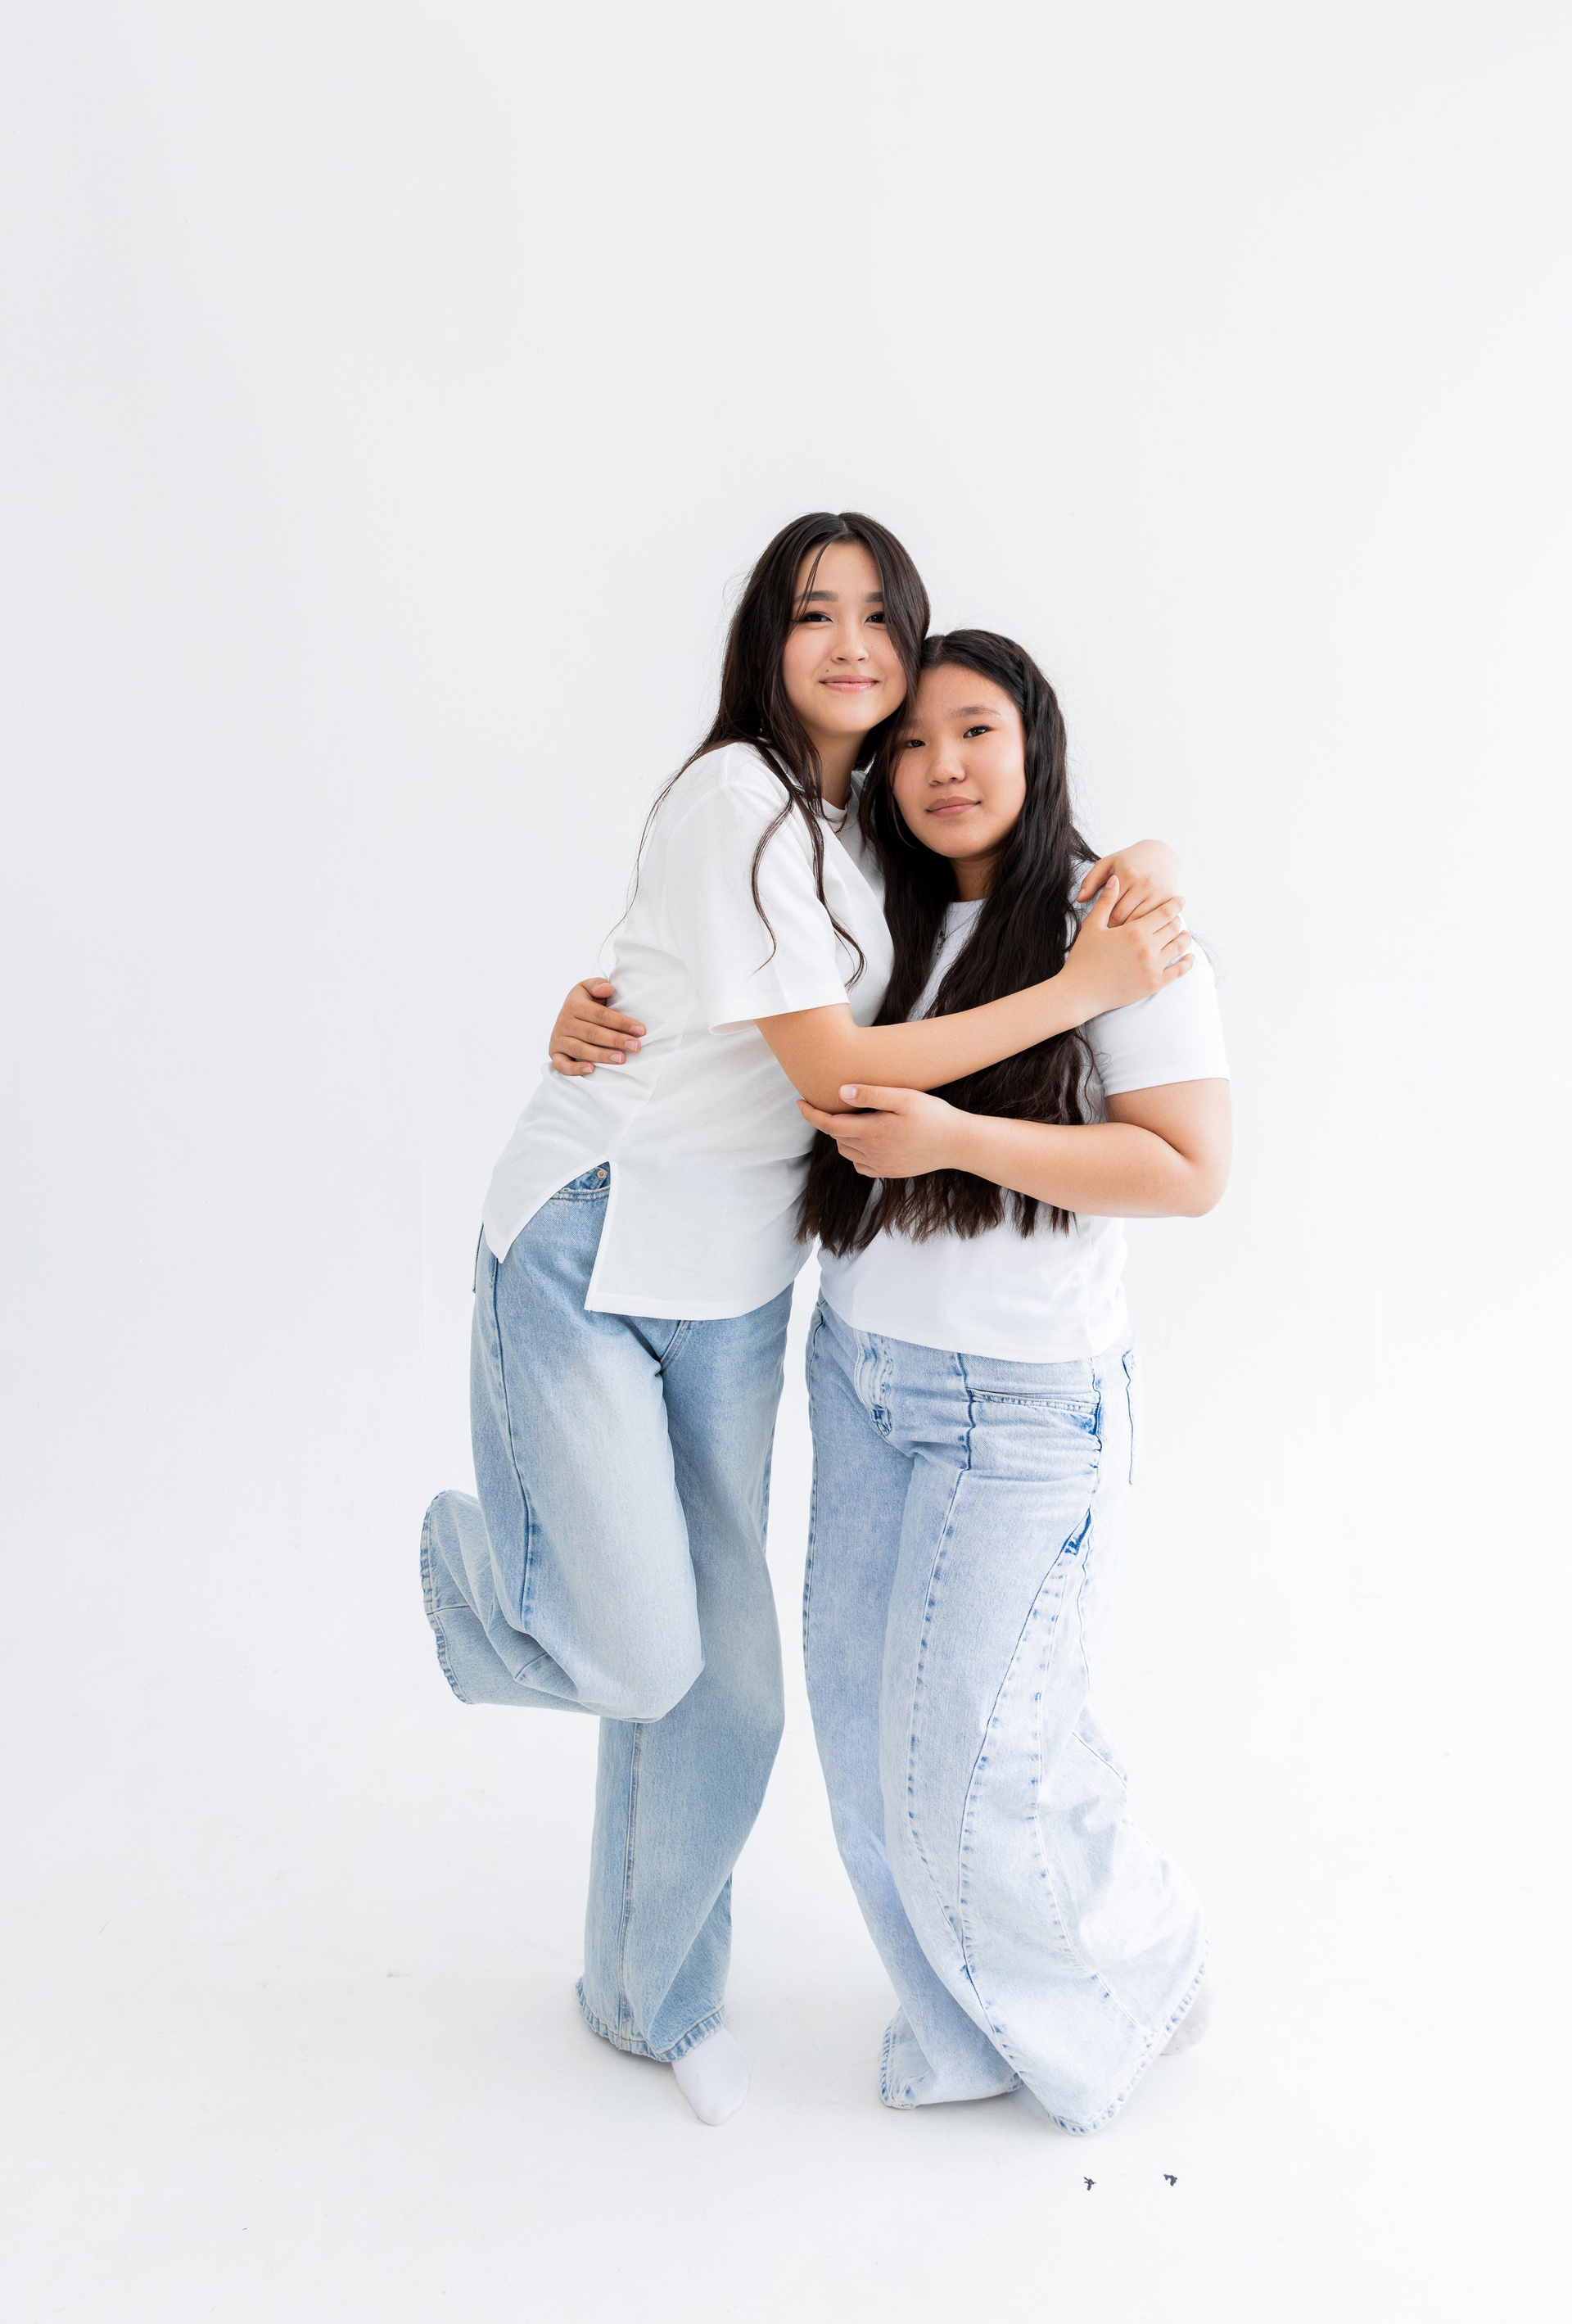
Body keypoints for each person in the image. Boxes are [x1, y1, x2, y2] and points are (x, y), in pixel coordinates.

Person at [423, 512, 1189, 2126]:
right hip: (597, 1238)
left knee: (732, 1694)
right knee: (637, 1645)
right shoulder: (735, 796)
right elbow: (832, 1067)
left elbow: (1015, 871)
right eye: (813, 614)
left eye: (880, 618)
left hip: (745, 1288)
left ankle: (648, 1997)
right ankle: (488, 1579)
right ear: (765, 643)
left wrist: (1150, 870)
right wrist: (1082, 990)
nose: (852, 646)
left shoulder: (878, 834)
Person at [795, 629, 1230, 2134]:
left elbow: (1190, 1170)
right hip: (858, 1374)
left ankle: (1141, 1975)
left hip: (1023, 1408)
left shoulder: (1117, 926)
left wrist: (959, 1137)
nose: (941, 767)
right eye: (910, 743)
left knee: (974, 1749)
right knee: (872, 1743)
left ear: (1036, 741)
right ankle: (962, 2021)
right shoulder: (871, 908)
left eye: (975, 730)